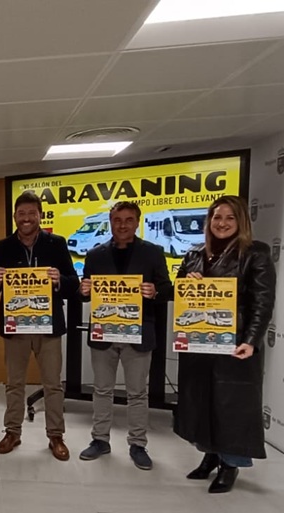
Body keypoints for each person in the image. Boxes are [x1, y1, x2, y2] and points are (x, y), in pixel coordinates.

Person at [175, 195, 276, 493]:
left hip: (234, 345)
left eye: (230, 218)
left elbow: (262, 302)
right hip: (199, 344)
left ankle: (230, 465)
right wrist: (188, 281)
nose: (222, 223)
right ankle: (210, 455)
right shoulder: (195, 253)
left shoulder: (255, 253)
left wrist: (251, 341)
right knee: (202, 403)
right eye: (217, 217)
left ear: (241, 220)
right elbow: (178, 291)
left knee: (230, 407)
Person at [78, 201, 173, 470]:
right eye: (117, 220)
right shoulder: (95, 254)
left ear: (137, 222)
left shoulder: (153, 252)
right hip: (104, 333)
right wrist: (83, 291)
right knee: (101, 390)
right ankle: (100, 440)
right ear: (110, 222)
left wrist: (154, 292)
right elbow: (85, 294)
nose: (122, 225)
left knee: (137, 393)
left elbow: (167, 289)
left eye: (128, 220)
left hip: (138, 333)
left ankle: (138, 444)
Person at [0, 191, 78, 461]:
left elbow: (73, 283)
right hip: (15, 326)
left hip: (48, 326)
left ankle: (56, 436)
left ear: (40, 215)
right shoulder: (2, 246)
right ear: (15, 216)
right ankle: (12, 432)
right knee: (14, 383)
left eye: (31, 213)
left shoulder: (56, 244)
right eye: (21, 214)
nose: (26, 218)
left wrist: (59, 279)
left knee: (52, 384)